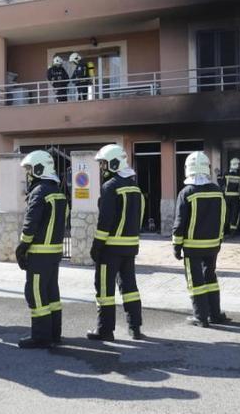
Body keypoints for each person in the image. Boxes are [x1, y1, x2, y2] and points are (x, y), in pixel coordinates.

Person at [88, 144, 144, 341]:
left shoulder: (110, 187)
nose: (102, 168)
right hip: (130, 247)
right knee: (130, 288)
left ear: (113, 163)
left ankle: (105, 330)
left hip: (110, 248)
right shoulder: (134, 186)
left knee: (104, 289)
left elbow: (105, 221)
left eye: (103, 164)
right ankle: (135, 327)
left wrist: (97, 246)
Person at [15, 150, 68, 349]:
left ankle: (40, 336)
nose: (28, 174)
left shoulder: (39, 192)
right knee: (52, 292)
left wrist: (22, 247)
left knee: (35, 292)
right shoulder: (58, 192)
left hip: (39, 252)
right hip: (54, 252)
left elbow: (31, 223)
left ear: (39, 169)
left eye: (29, 169)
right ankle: (55, 333)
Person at [172, 152, 231, 327]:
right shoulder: (217, 191)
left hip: (192, 246)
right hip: (213, 245)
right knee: (210, 278)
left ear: (187, 169)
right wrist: (219, 239)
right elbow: (224, 218)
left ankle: (200, 316)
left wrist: (176, 244)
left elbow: (180, 221)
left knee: (195, 281)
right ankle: (215, 314)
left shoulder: (186, 192)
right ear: (207, 169)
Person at [218, 157, 240, 235]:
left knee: (225, 213)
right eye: (239, 164)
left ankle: (224, 230)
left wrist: (218, 176)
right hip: (236, 197)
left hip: (227, 197)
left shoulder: (226, 174)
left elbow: (221, 184)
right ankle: (232, 231)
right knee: (235, 214)